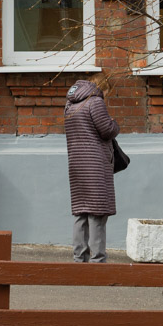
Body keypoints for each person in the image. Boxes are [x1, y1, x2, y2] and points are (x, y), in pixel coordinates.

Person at [64, 73, 120, 263]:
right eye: (107, 92)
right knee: (98, 213)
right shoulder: (95, 101)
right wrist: (115, 124)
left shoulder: (70, 104)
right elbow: (106, 129)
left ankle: (79, 259)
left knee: (81, 212)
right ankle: (98, 261)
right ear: (102, 87)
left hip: (77, 164)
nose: (106, 95)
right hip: (95, 164)